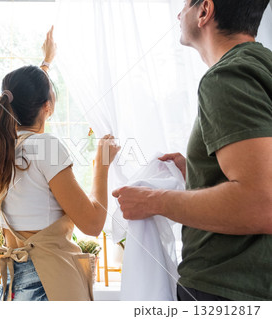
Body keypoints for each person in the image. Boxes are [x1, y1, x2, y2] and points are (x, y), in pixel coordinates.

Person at [112, 0, 272, 301]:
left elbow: (261, 203)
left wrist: (152, 200)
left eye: (185, 4)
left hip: (226, 288)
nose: (178, 12)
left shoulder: (227, 77)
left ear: (204, 11)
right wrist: (198, 175)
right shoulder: (262, 67)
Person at [0, 26, 120, 301]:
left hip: (13, 286)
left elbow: (25, 99)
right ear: (48, 106)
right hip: (47, 285)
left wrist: (46, 63)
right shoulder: (46, 146)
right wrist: (101, 165)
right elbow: (92, 224)